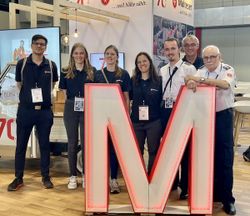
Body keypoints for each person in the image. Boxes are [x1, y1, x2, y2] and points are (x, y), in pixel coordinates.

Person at [185, 45, 236, 215]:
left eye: (212, 57)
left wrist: (199, 80)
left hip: (223, 116)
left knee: (225, 159)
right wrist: (191, 81)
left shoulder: (228, 69)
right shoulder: (201, 70)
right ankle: (213, 195)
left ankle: (228, 200)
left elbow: (224, 85)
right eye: (206, 58)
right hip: (205, 117)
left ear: (219, 56)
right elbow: (189, 79)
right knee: (209, 157)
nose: (209, 61)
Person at [8, 34, 58, 191]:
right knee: (21, 145)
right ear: (31, 45)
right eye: (37, 44)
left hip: (44, 112)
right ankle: (18, 178)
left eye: (42, 44)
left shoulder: (51, 65)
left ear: (45, 47)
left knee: (44, 145)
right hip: (26, 111)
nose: (39, 46)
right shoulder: (22, 64)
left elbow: (53, 84)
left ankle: (46, 177)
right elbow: (19, 84)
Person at [159, 37, 196, 199]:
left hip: (183, 111)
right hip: (166, 112)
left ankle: (186, 186)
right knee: (169, 148)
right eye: (167, 49)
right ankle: (172, 182)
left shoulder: (189, 69)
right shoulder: (162, 70)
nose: (170, 52)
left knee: (185, 149)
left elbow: (196, 92)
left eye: (173, 49)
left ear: (178, 50)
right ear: (163, 52)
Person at [94, 45, 130, 194]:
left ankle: (114, 179)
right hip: (100, 117)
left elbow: (127, 97)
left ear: (117, 57)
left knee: (114, 149)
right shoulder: (97, 74)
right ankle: (101, 180)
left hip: (117, 117)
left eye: (113, 54)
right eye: (107, 54)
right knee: (102, 149)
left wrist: (126, 116)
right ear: (104, 56)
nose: (110, 56)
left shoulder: (124, 74)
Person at [59, 43, 95, 189]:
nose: (79, 56)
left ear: (85, 55)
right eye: (76, 53)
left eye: (82, 53)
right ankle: (72, 176)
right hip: (71, 108)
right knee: (72, 143)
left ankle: (85, 174)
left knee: (86, 143)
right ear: (72, 55)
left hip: (87, 108)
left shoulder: (92, 72)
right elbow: (64, 93)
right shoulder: (65, 71)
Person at [178, 34, 204, 200]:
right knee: (184, 150)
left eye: (192, 45)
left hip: (202, 113)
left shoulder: (205, 63)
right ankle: (184, 185)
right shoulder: (179, 65)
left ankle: (200, 185)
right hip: (184, 113)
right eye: (186, 45)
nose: (189, 47)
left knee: (200, 151)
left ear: (197, 46)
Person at [130, 52, 162, 174]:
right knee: (137, 151)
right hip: (137, 122)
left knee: (154, 151)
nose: (142, 64)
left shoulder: (158, 81)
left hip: (154, 122)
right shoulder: (133, 81)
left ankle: (151, 177)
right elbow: (128, 98)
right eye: (139, 62)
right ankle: (140, 178)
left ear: (149, 62)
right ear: (136, 65)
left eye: (144, 61)